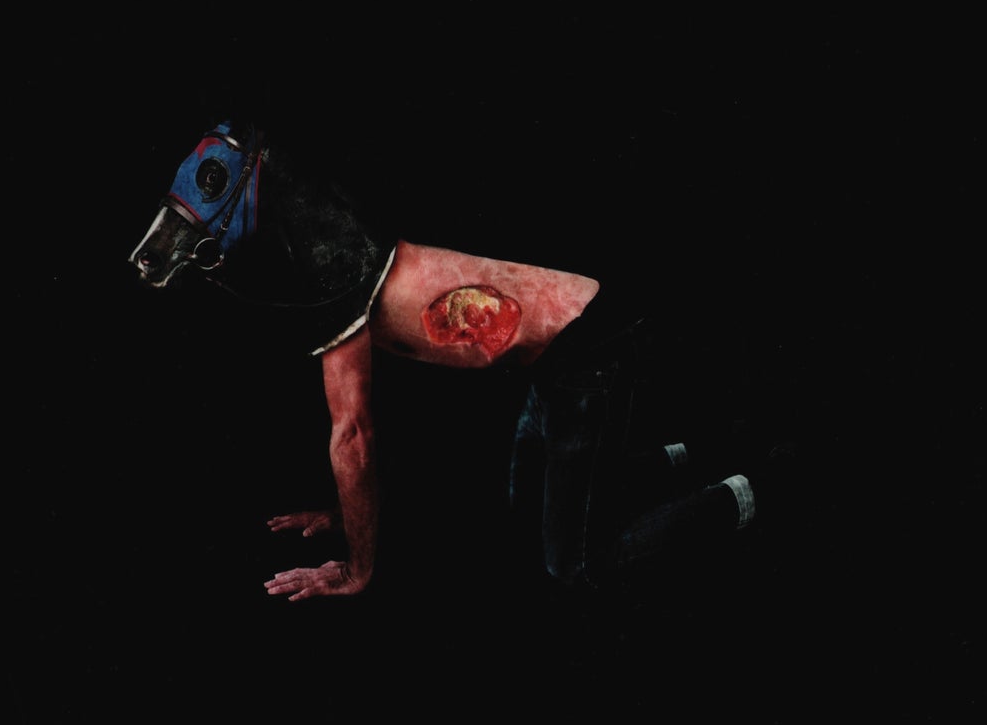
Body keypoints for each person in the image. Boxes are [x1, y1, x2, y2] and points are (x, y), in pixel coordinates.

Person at [130, 118, 794, 602]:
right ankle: (693, 452)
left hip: (590, 350)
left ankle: (748, 492)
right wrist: (348, 511)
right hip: (559, 358)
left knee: (575, 565)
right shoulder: (328, 257)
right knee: (527, 504)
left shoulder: (336, 272)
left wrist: (358, 567)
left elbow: (354, 438)